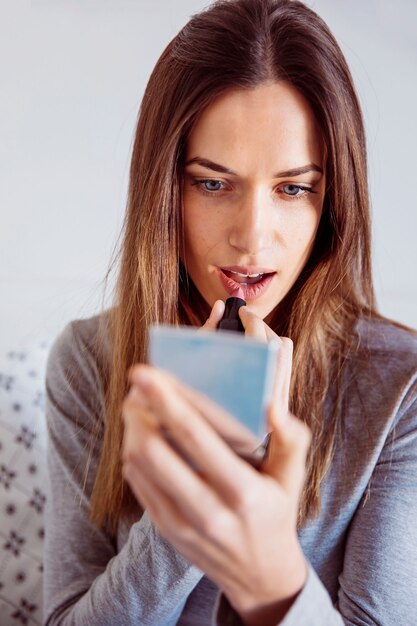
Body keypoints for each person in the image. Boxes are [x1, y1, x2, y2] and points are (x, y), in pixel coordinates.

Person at [43, 0, 417, 624]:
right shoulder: (89, 361)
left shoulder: (401, 391)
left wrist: (271, 571)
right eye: (213, 183)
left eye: (293, 188)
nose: (251, 236)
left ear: (332, 202)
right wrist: (201, 474)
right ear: (164, 188)